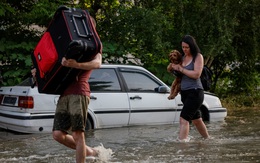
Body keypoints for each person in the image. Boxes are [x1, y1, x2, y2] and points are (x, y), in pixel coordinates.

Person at [32, 18, 102, 163]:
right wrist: (38, 74)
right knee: (58, 134)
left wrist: (76, 64)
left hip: (79, 92)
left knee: (78, 134)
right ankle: (91, 152)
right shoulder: (69, 43)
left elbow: (97, 63)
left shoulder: (94, 45)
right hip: (64, 93)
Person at [167, 35, 209, 142]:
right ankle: (208, 140)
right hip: (184, 93)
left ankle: (183, 146)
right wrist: (174, 69)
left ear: (192, 46)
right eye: (183, 47)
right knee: (196, 120)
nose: (184, 50)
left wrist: (181, 69)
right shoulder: (182, 58)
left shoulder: (198, 57)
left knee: (183, 119)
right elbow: (179, 75)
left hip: (195, 92)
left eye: (187, 47)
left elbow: (196, 74)